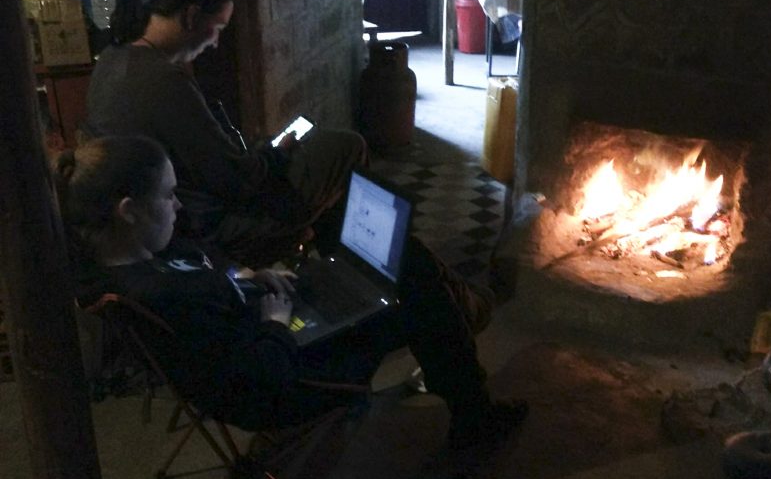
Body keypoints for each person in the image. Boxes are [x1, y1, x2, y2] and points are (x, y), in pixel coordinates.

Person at [57, 135, 527, 448]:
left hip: (269, 319)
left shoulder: (139, 255)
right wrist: (278, 323)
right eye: (167, 195)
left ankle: (464, 311)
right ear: (128, 211)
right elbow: (256, 379)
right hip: (290, 374)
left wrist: (247, 276)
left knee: (382, 256)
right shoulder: (159, 297)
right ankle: (473, 408)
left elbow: (207, 272)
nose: (178, 204)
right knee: (417, 287)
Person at [85, 0, 365, 266]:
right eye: (217, 27)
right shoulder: (164, 80)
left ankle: (315, 254)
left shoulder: (112, 57)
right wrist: (276, 154)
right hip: (196, 222)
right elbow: (237, 181)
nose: (216, 42)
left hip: (163, 206)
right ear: (191, 16)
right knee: (346, 147)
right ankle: (332, 265)